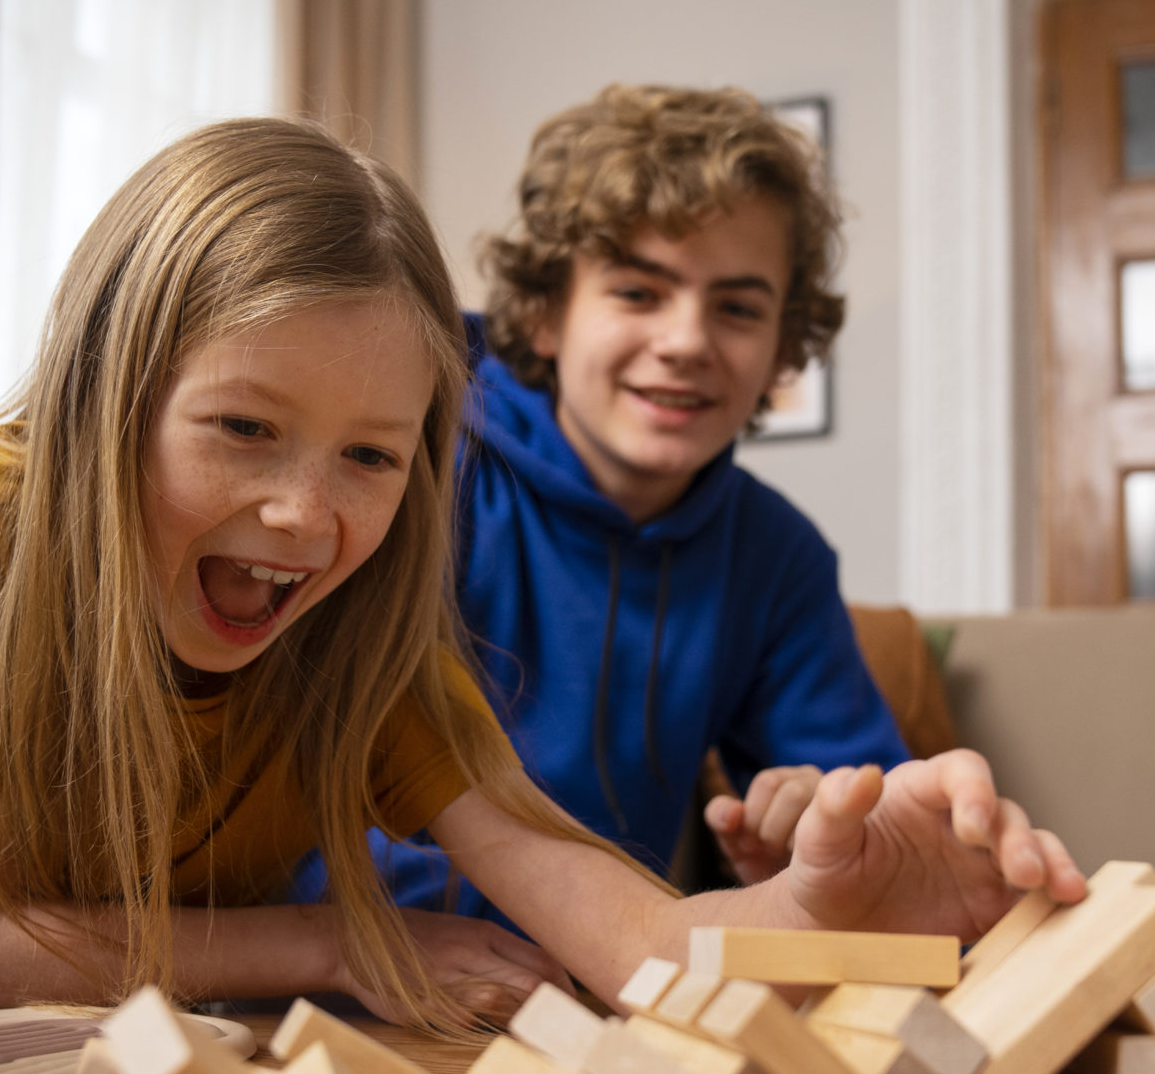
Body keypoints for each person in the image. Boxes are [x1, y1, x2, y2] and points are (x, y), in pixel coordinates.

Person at [0, 120, 1081, 1030]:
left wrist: (828, 911)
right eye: (242, 429)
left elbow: (643, 935)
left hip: (91, 1060)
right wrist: (342, 938)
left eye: (370, 453)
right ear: (109, 389)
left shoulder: (363, 621)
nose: (300, 516)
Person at [305, 86, 917, 924]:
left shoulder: (774, 555)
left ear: (783, 345)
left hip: (602, 995)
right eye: (637, 292)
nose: (688, 341)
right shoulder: (408, 464)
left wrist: (827, 824)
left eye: (738, 308)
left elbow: (877, 812)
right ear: (548, 313)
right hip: (339, 984)